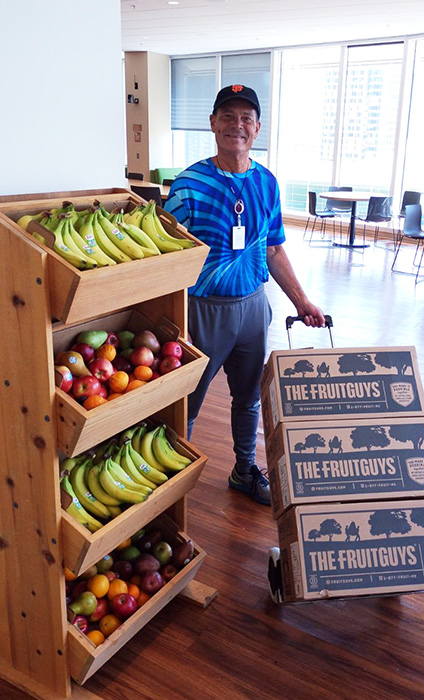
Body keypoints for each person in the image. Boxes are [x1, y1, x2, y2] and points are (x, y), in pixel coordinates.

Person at [164, 84, 324, 506]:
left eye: (246, 118)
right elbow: (167, 258)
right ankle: (169, 489)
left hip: (254, 308)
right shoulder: (189, 185)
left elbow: (272, 248)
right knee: (187, 406)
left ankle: (244, 470)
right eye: (228, 116)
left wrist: (301, 301)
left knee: (249, 399)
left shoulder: (267, 184)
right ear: (213, 123)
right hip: (202, 312)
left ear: (256, 129)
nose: (237, 125)